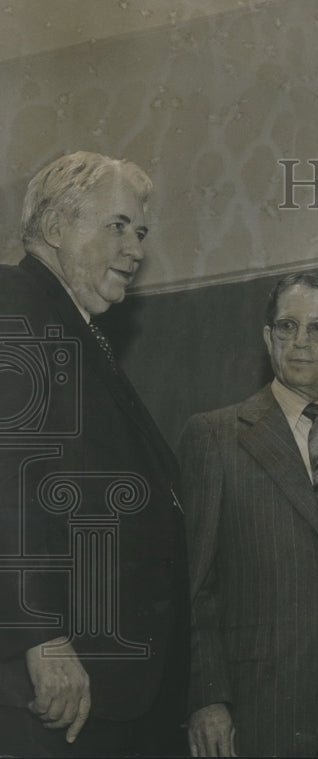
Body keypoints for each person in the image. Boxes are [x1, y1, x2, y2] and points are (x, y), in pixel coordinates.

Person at [0, 152, 189, 755]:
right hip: (60, 684)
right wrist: (43, 638)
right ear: (56, 229)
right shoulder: (15, 306)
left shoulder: (77, 328)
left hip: (111, 682)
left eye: (140, 232)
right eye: (117, 226)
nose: (135, 249)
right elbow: (10, 479)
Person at [181, 272, 318, 757]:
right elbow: (194, 587)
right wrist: (206, 699)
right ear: (267, 338)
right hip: (262, 711)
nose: (301, 341)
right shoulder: (216, 437)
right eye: (287, 326)